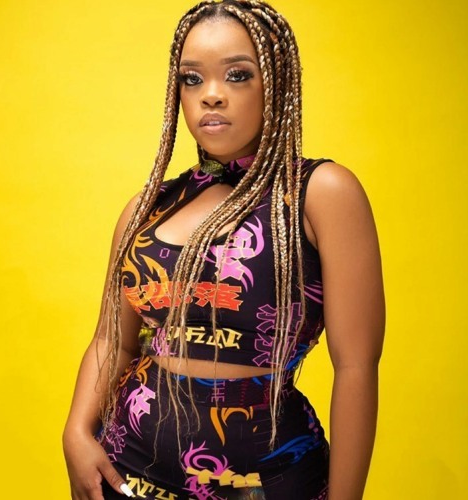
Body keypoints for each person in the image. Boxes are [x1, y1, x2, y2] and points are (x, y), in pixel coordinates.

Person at [63, 1, 385, 499]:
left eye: (237, 75)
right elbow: (114, 342)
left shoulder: (319, 194)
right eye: (192, 79)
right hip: (128, 469)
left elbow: (357, 367)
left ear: (275, 86)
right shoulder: (149, 207)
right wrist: (77, 433)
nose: (211, 95)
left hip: (266, 480)